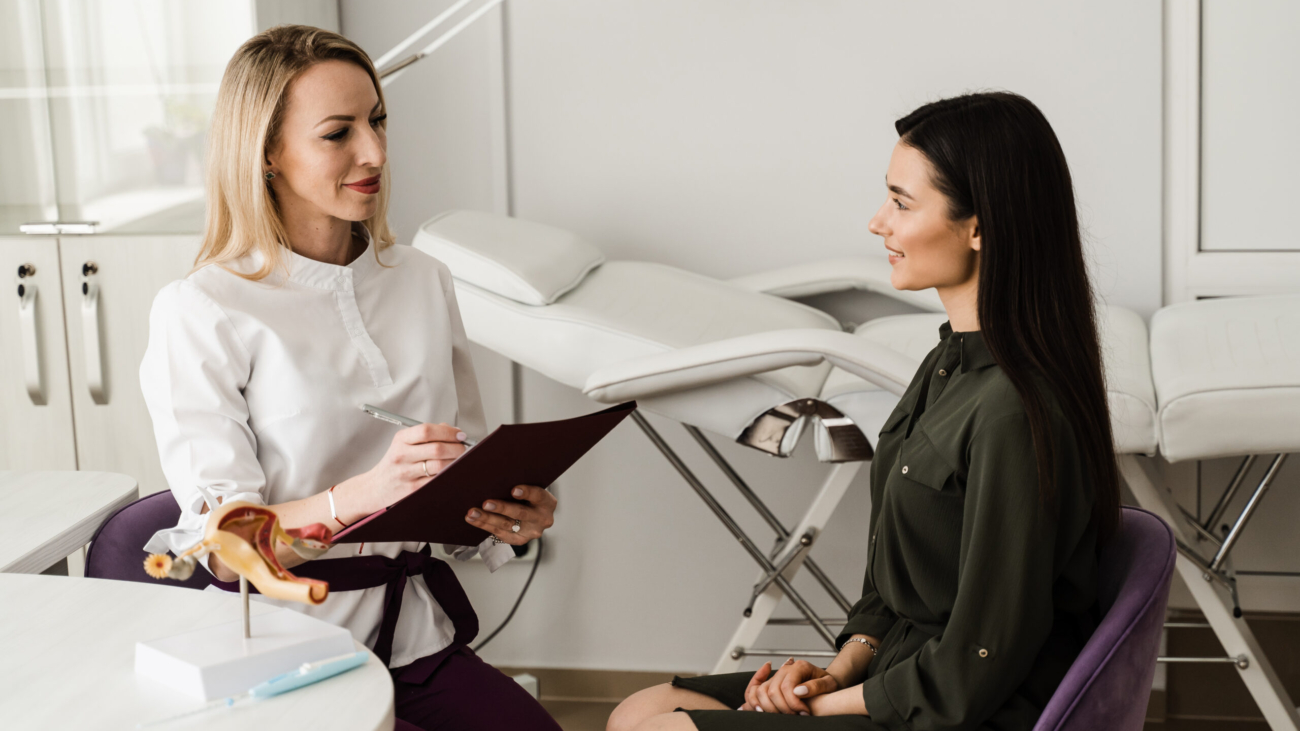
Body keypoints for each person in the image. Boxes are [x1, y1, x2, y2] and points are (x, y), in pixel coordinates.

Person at [608, 91, 1121, 731]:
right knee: (642, 709)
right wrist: (837, 670)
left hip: (959, 711)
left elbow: (975, 666)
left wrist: (816, 708)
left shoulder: (1013, 412)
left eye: (902, 203)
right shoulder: (946, 366)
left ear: (979, 227)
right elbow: (889, 593)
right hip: (896, 674)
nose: (878, 223)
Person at [140, 25, 562, 731]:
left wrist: (508, 516)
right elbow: (224, 546)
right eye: (338, 133)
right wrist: (363, 493)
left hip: (415, 640)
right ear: (267, 153)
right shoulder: (203, 309)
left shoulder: (423, 280)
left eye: (378, 121)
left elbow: (465, 469)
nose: (375, 152)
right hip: (284, 653)